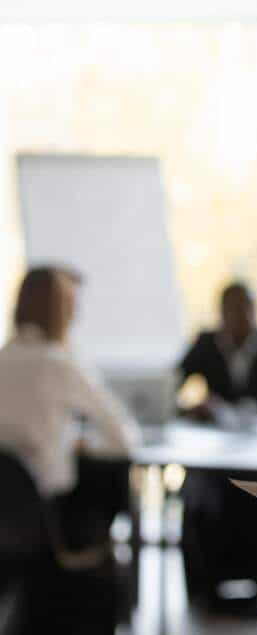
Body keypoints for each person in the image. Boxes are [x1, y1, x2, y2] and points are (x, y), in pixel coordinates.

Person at [0, 266, 140, 630]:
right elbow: (125, 438)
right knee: (111, 494)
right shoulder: (59, 364)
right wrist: (82, 442)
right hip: (51, 522)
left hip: (7, 521)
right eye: (71, 305)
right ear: (60, 310)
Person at [176, 280, 257, 615]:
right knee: (198, 495)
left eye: (246, 309)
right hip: (214, 457)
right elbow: (172, 385)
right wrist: (193, 409)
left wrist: (250, 409)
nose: (239, 318)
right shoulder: (206, 344)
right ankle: (206, 591)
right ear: (220, 313)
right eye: (232, 310)